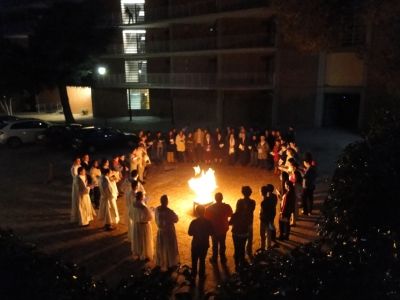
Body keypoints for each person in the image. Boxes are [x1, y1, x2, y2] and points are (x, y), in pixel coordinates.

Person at [205, 192, 233, 264]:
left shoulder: (209, 208)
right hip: (223, 229)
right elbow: (231, 214)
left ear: (215, 199)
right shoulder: (226, 206)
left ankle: (214, 258)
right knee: (222, 243)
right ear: (222, 198)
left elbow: (206, 219)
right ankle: (223, 258)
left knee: (215, 245)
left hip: (214, 230)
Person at [188, 205, 214, 280]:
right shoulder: (208, 222)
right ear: (204, 212)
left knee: (194, 260)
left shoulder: (194, 222)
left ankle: (193, 275)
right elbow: (212, 233)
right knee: (202, 260)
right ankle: (201, 275)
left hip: (195, 244)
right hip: (204, 244)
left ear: (197, 212)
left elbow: (189, 233)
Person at [155, 195, 180, 271]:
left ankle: (162, 261)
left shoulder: (157, 209)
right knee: (169, 247)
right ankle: (170, 262)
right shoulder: (169, 211)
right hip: (169, 232)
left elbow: (156, 219)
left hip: (161, 231)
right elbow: (176, 219)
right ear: (166, 202)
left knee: (162, 246)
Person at [129, 191, 154, 261]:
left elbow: (130, 214)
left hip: (136, 225)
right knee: (144, 240)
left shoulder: (133, 204)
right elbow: (149, 217)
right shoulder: (143, 207)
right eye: (143, 196)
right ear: (141, 197)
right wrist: (152, 211)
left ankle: (138, 253)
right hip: (143, 226)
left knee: (138, 240)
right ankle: (144, 254)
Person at [229, 200, 251, 270]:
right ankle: (242, 262)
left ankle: (237, 265)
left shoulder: (235, 215)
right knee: (242, 248)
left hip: (236, 234)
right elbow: (249, 223)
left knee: (237, 249)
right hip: (244, 234)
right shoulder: (247, 214)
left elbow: (230, 223)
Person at [236, 186, 256, 259]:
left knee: (241, 239)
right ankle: (249, 251)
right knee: (250, 238)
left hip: (241, 223)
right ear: (250, 193)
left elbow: (237, 212)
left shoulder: (239, 201)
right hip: (249, 222)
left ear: (242, 193)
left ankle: (241, 254)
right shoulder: (253, 202)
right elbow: (252, 210)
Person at [260, 184, 277, 249]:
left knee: (263, 234)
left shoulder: (264, 201)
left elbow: (263, 212)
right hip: (271, 216)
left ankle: (263, 247)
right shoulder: (274, 197)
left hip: (265, 219)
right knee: (269, 231)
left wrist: (261, 216)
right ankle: (269, 245)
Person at [70, 157, 81, 223]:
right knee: (77, 198)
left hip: (81, 182)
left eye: (79, 160)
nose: (79, 161)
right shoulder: (73, 168)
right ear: (74, 161)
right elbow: (76, 176)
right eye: (78, 160)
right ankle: (77, 213)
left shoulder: (79, 166)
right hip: (77, 184)